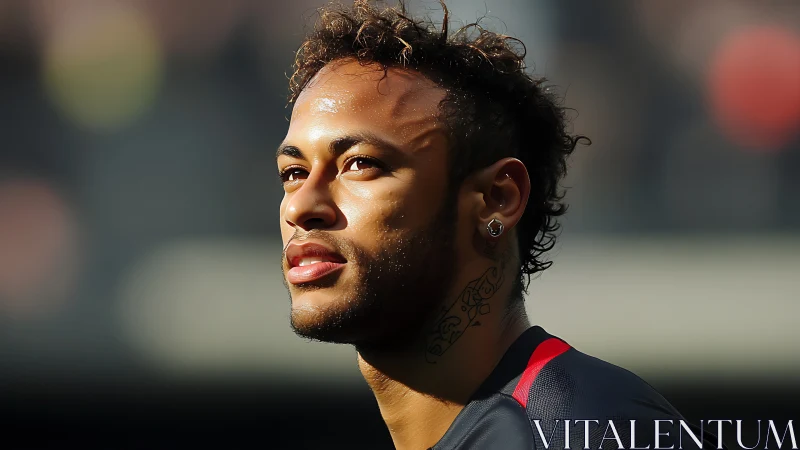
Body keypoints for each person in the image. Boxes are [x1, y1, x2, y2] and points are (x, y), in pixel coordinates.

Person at [276, 1, 721, 448]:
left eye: (360, 164)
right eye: (293, 173)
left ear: (498, 199)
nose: (302, 206)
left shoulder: (585, 428)